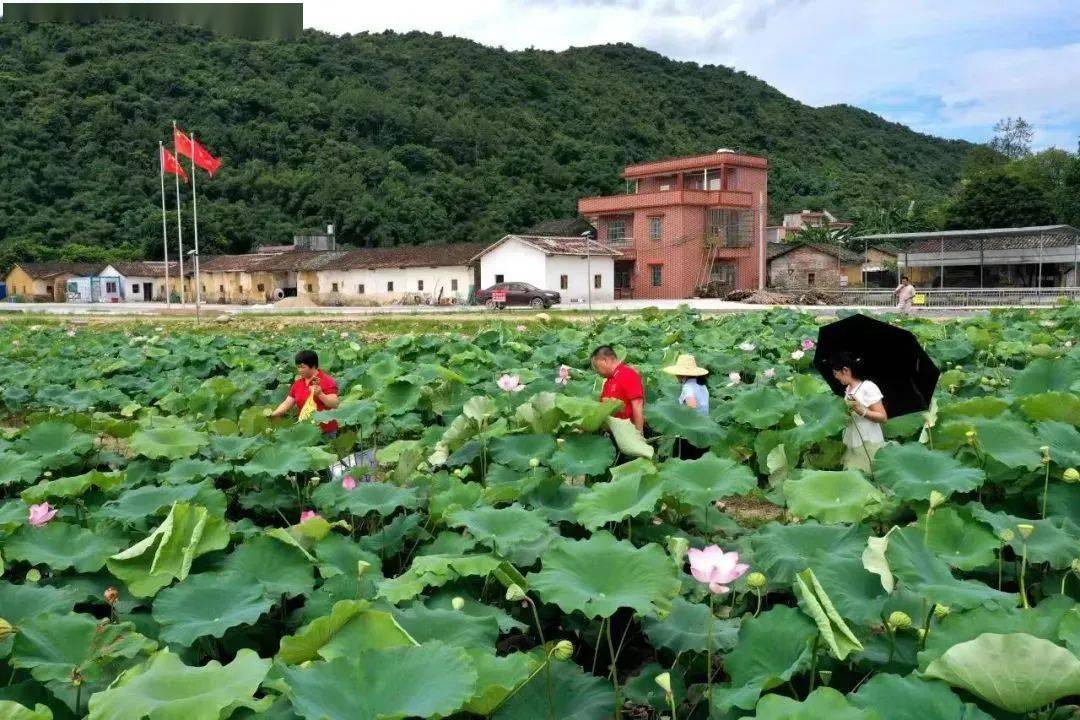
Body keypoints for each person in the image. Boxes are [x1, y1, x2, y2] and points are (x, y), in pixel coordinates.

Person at [831, 352, 887, 472]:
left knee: (870, 474)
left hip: (868, 440)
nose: (835, 377)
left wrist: (861, 410)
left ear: (845, 370)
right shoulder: (848, 389)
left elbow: (883, 417)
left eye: (836, 373)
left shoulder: (868, 387)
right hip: (852, 438)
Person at [270, 350, 341, 437]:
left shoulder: (326, 381)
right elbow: (288, 402)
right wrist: (274, 414)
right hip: (306, 431)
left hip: (325, 431)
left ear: (313, 366)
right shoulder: (298, 383)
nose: (300, 370)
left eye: (303, 367)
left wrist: (320, 394)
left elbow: (335, 404)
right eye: (298, 367)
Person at [662, 353, 710, 459]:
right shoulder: (702, 386)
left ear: (681, 374)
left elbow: (691, 408)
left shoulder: (688, 387)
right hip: (704, 429)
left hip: (690, 433)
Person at [592, 345, 645, 432]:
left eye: (597, 367)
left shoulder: (628, 374)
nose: (598, 371)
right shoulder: (609, 381)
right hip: (612, 432)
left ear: (604, 361)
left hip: (628, 432)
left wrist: (639, 434)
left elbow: (637, 404)